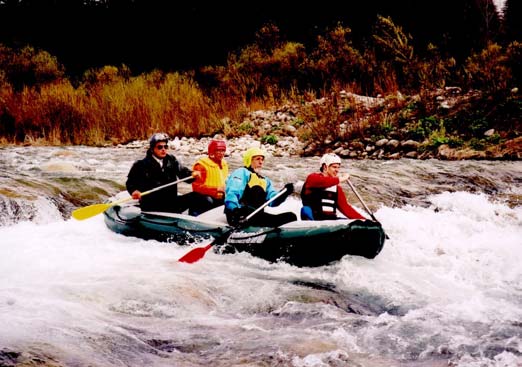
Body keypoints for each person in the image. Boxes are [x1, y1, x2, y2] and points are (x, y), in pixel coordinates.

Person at [224, 146, 297, 227]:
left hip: (256, 215)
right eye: (257, 159)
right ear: (249, 160)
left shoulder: (265, 180)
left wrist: (284, 193)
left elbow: (272, 202)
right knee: (256, 190)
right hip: (239, 214)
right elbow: (232, 193)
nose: (261, 162)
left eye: (262, 159)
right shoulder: (241, 173)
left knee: (291, 216)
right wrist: (234, 210)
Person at [126, 132, 198, 212]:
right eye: (160, 147)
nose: (163, 149)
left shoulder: (171, 160)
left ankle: (194, 220)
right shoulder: (140, 165)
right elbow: (130, 183)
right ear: (152, 149)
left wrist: (193, 175)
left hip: (171, 203)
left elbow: (183, 174)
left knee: (196, 196)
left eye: (165, 146)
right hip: (152, 206)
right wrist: (134, 191)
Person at [300, 153, 366, 221]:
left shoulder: (336, 188)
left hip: (331, 221)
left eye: (338, 167)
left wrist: (364, 220)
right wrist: (342, 178)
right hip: (314, 219)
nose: (337, 170)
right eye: (334, 167)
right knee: (305, 210)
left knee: (356, 222)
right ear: (325, 167)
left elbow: (346, 209)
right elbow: (324, 181)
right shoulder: (312, 178)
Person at [189, 139, 229, 216]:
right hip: (204, 198)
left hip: (219, 197)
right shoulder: (201, 166)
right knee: (208, 200)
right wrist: (216, 189)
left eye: (223, 151)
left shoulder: (224, 164)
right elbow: (196, 187)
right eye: (218, 151)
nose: (222, 153)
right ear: (212, 151)